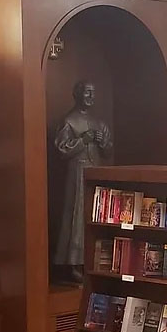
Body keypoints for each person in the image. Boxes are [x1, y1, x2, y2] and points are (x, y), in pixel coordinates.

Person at [54, 80, 113, 284]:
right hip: (76, 173)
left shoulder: (99, 122)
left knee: (95, 214)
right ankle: (73, 263)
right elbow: (61, 149)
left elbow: (108, 151)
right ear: (77, 94)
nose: (91, 97)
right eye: (87, 93)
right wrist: (83, 140)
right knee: (76, 217)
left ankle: (93, 260)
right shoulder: (69, 120)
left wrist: (102, 141)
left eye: (93, 93)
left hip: (95, 171)